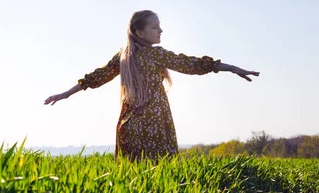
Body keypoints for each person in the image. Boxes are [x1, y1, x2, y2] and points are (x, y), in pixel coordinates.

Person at [44, 10, 260, 161]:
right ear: (139, 32)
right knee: (159, 174)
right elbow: (192, 64)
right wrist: (232, 68)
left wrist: (65, 94)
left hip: (129, 126)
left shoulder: (123, 56)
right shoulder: (154, 54)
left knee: (134, 179)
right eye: (155, 27)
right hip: (155, 124)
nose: (161, 31)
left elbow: (96, 78)